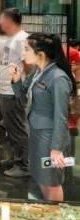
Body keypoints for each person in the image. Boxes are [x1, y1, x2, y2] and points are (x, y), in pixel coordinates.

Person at [11, 33, 73, 201]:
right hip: (36, 135)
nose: (23, 54)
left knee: (52, 182)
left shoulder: (58, 78)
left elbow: (61, 116)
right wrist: (17, 81)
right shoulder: (37, 72)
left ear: (41, 53)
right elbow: (23, 99)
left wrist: (56, 148)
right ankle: (49, 212)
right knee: (41, 178)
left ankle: (56, 214)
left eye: (26, 49)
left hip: (50, 139)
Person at [0, 8, 31, 178]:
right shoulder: (13, 38)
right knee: (11, 127)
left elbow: (29, 64)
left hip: (13, 90)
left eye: (2, 19)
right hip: (6, 89)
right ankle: (17, 158)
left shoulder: (22, 39)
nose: (0, 22)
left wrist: (24, 84)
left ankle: (23, 165)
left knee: (17, 128)